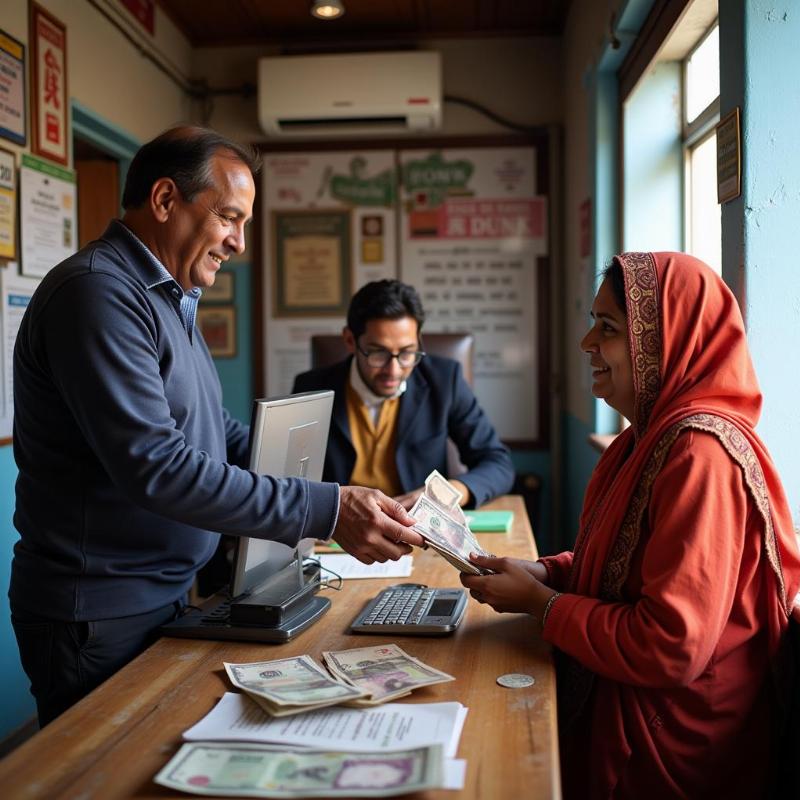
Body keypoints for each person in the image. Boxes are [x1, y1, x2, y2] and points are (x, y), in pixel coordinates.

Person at [10, 126, 423, 727]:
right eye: (230, 217)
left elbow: (214, 433)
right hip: (98, 609)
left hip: (165, 594)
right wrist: (326, 509)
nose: (239, 242)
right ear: (164, 200)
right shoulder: (98, 293)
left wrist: (341, 494)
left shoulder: (166, 295)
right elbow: (159, 467)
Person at [461, 252, 800, 798]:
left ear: (668, 340)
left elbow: (672, 646)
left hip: (679, 746)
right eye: (594, 322)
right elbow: (622, 562)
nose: (587, 343)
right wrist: (546, 572)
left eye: (609, 328)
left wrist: (540, 604)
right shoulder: (645, 437)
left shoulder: (699, 454)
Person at [292, 279, 514, 510]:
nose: (394, 370)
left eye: (407, 353)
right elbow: (287, 478)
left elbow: (498, 463)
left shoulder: (445, 381)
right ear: (350, 340)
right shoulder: (310, 388)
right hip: (340, 533)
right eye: (378, 353)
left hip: (415, 532)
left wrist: (447, 493)